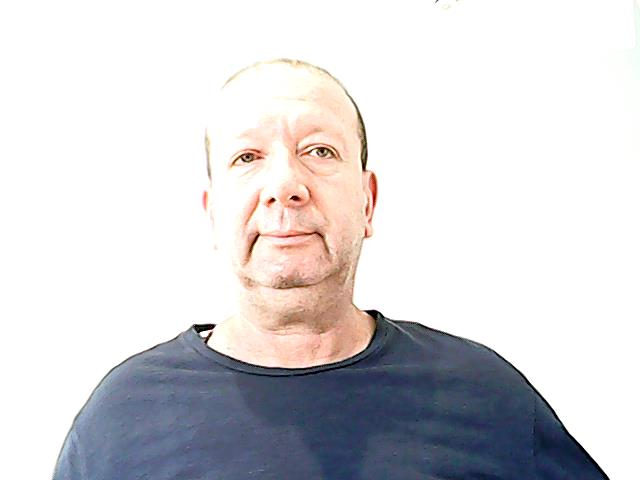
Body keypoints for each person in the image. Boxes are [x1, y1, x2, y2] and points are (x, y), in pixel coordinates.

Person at [53, 58, 609, 479]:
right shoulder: (120, 419)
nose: (285, 186)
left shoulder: (484, 395)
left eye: (319, 151)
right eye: (247, 158)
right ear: (213, 213)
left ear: (367, 202)